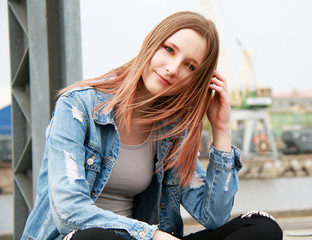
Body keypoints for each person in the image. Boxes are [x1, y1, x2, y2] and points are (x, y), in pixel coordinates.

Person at [21, 11, 282, 240]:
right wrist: (154, 235)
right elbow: (68, 212)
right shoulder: (78, 107)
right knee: (93, 239)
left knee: (262, 227)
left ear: (197, 80)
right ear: (151, 43)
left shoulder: (171, 131)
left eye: (190, 66)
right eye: (169, 50)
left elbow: (213, 215)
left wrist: (222, 130)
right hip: (83, 238)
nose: (172, 68)